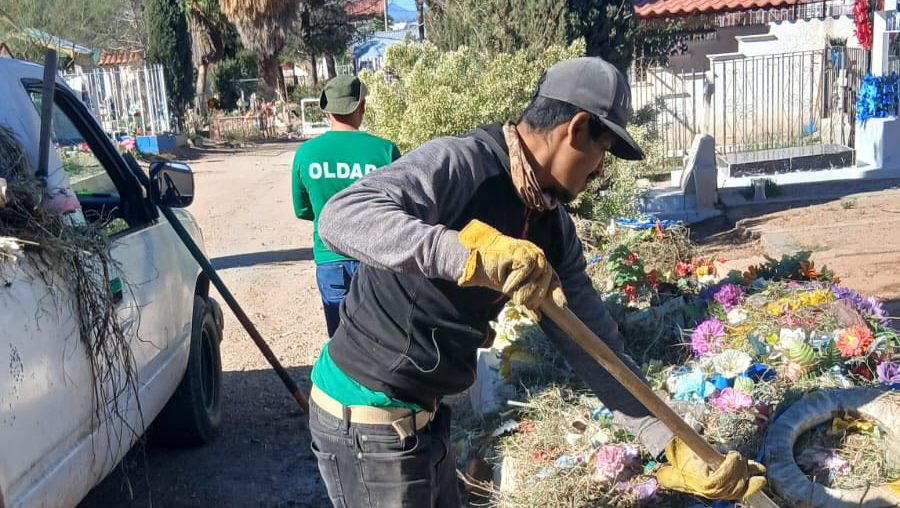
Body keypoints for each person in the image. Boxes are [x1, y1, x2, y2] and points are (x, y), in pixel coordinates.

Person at [309, 57, 767, 507]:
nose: (600, 171)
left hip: (424, 419)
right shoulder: (461, 164)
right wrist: (469, 255)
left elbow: (593, 346)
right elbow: (342, 216)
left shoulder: (551, 226)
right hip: (366, 419)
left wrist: (670, 440)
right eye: (603, 151)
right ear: (576, 128)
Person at [292, 75, 401, 337]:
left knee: (342, 342)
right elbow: (401, 208)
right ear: (361, 107)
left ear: (327, 111)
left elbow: (302, 209)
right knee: (382, 339)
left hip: (331, 260)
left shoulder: (306, 154)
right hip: (377, 259)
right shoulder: (385, 151)